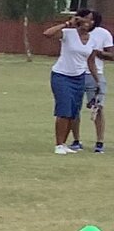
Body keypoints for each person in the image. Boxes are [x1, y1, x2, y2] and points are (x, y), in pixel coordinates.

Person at [45, 9, 112, 153]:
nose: (89, 22)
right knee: (64, 109)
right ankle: (58, 145)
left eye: (92, 20)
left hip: (79, 77)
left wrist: (97, 81)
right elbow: (47, 34)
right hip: (62, 75)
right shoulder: (68, 34)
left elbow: (91, 62)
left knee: (73, 112)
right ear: (79, 19)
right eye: (86, 18)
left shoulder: (93, 39)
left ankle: (64, 144)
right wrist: (68, 23)